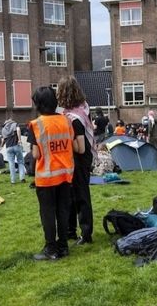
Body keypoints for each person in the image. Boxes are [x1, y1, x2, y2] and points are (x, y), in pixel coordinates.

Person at [27, 86, 77, 260]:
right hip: (65, 174)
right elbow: (70, 142)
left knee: (48, 213)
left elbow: (35, 154)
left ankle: (50, 249)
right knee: (63, 212)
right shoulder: (66, 121)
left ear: (38, 104)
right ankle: (63, 246)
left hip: (46, 178)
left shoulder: (36, 125)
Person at [58, 76, 95, 245]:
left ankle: (86, 234)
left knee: (80, 195)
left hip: (79, 158)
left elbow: (79, 147)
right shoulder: (83, 109)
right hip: (82, 157)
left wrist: (65, 139)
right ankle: (70, 230)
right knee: (72, 195)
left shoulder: (74, 118)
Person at [1, 118, 26, 184]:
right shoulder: (14, 124)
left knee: (11, 163)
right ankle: (22, 178)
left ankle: (13, 180)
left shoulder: (3, 129)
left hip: (8, 147)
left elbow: (3, 139)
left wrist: (1, 146)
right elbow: (18, 129)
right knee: (20, 162)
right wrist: (20, 139)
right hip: (16, 145)